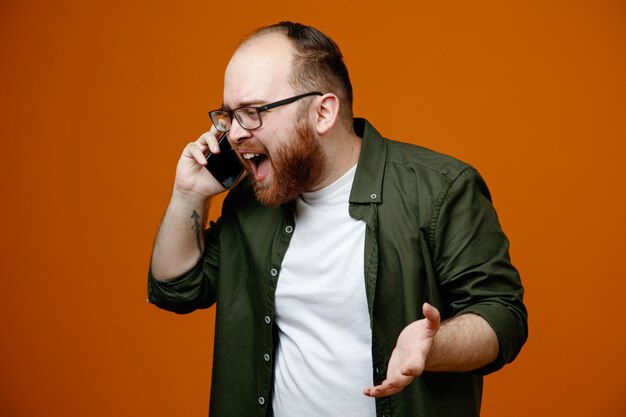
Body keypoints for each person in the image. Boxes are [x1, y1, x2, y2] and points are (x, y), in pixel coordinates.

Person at [147, 21, 528, 417]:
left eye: (253, 112)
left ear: (323, 112)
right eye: (229, 116)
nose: (235, 135)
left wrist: (434, 346)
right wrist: (188, 193)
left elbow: (502, 316)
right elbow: (177, 289)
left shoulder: (440, 190)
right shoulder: (251, 202)